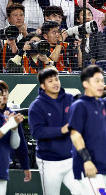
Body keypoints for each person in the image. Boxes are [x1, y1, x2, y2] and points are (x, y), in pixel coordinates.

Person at [69, 66, 106, 194]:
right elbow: (75, 135)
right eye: (97, 81)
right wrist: (87, 160)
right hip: (88, 167)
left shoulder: (104, 104)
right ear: (86, 84)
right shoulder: (80, 105)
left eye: (102, 81)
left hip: (101, 166)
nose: (101, 84)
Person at [28, 67, 83, 195]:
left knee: (82, 191)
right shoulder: (36, 106)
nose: (55, 83)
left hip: (70, 159)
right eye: (50, 81)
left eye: (57, 79)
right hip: (48, 161)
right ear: (43, 85)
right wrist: (61, 130)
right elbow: (37, 132)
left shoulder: (70, 99)